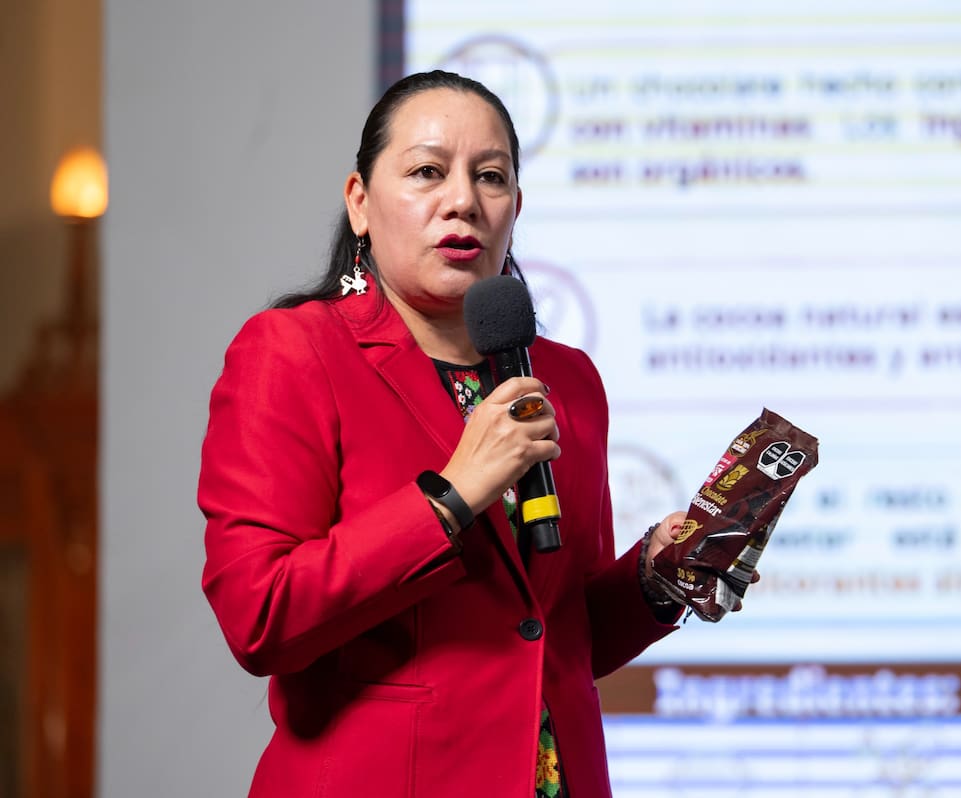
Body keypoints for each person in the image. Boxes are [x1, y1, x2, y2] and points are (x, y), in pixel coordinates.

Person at [199, 70, 696, 797]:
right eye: (427, 172)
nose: (462, 199)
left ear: (515, 208)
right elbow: (260, 615)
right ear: (360, 204)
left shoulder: (568, 379)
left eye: (490, 177)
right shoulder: (293, 353)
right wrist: (451, 496)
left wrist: (657, 578)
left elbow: (550, 634)